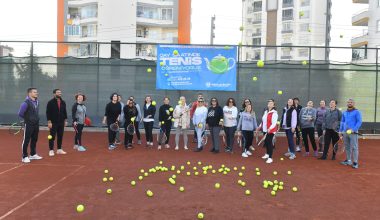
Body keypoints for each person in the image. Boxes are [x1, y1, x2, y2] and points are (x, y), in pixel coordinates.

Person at [18, 88, 43, 163]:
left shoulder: (37, 101)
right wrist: (27, 119)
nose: (36, 93)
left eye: (36, 92)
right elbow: (20, 113)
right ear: (29, 93)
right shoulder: (25, 103)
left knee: (34, 139)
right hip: (28, 124)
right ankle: (24, 156)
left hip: (36, 124)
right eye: (34, 92)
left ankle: (33, 154)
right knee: (26, 140)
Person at [339, 99, 362, 169]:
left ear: (353, 104)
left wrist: (353, 129)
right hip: (345, 132)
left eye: (351, 102)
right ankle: (348, 160)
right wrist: (340, 131)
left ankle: (355, 162)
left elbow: (359, 122)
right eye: (348, 102)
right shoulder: (344, 112)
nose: (349, 103)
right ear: (347, 103)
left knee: (354, 147)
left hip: (353, 133)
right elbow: (342, 122)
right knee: (347, 147)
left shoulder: (357, 112)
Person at [46, 89, 68, 157]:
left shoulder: (63, 102)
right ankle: (51, 150)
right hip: (53, 122)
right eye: (58, 92)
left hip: (61, 122)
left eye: (60, 92)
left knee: (60, 136)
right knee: (51, 137)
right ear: (54, 94)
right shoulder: (50, 102)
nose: (59, 93)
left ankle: (59, 149)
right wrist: (49, 122)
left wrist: (65, 121)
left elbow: (64, 112)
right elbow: (48, 112)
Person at [257, 99, 278, 164]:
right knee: (266, 142)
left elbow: (274, 123)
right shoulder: (266, 111)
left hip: (271, 131)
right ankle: (267, 154)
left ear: (273, 105)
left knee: (269, 143)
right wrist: (260, 126)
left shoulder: (274, 113)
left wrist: (270, 129)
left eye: (271, 103)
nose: (269, 104)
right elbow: (263, 121)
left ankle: (270, 158)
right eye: (269, 102)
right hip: (265, 130)